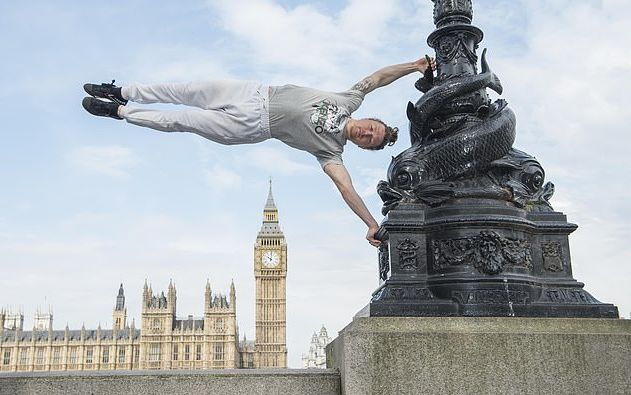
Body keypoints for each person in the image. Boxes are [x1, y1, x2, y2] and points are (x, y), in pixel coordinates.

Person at [82, 57, 435, 247]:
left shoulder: (331, 152)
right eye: (371, 128)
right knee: (186, 89)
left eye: (370, 141)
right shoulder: (349, 98)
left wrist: (372, 224)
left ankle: (118, 112)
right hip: (253, 93)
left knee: (182, 120)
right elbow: (378, 77)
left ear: (362, 146)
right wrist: (414, 66)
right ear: (367, 118)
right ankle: (123, 91)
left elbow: (346, 189)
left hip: (251, 128)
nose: (367, 134)